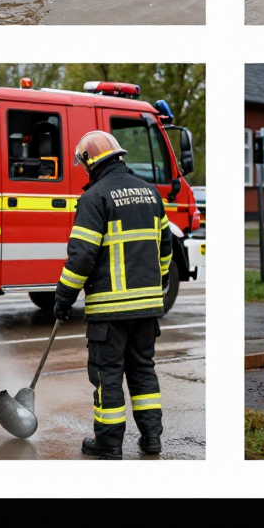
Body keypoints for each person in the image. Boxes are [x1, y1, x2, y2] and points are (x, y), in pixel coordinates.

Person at [52, 131, 172, 459]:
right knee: (143, 372)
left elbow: (81, 257)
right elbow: (166, 248)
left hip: (110, 311)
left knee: (108, 378)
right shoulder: (150, 193)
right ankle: (152, 440)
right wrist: (156, 286)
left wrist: (64, 297)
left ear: (90, 162)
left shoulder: (95, 197)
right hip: (148, 309)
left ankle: (108, 445)